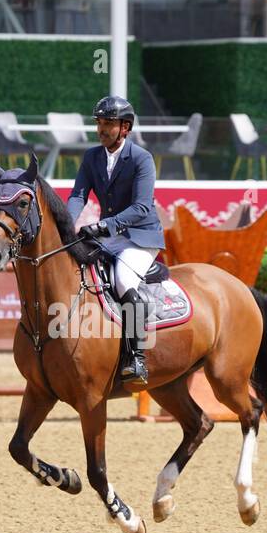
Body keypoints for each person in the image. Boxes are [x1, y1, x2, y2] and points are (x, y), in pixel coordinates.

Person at [68, 95, 163, 388]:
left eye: (108, 123)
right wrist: (65, 225)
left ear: (125, 128)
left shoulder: (141, 158)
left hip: (140, 237)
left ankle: (136, 357)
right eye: (99, 122)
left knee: (123, 280)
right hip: (110, 237)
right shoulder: (91, 157)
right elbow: (78, 196)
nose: (102, 129)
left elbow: (142, 207)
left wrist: (103, 225)